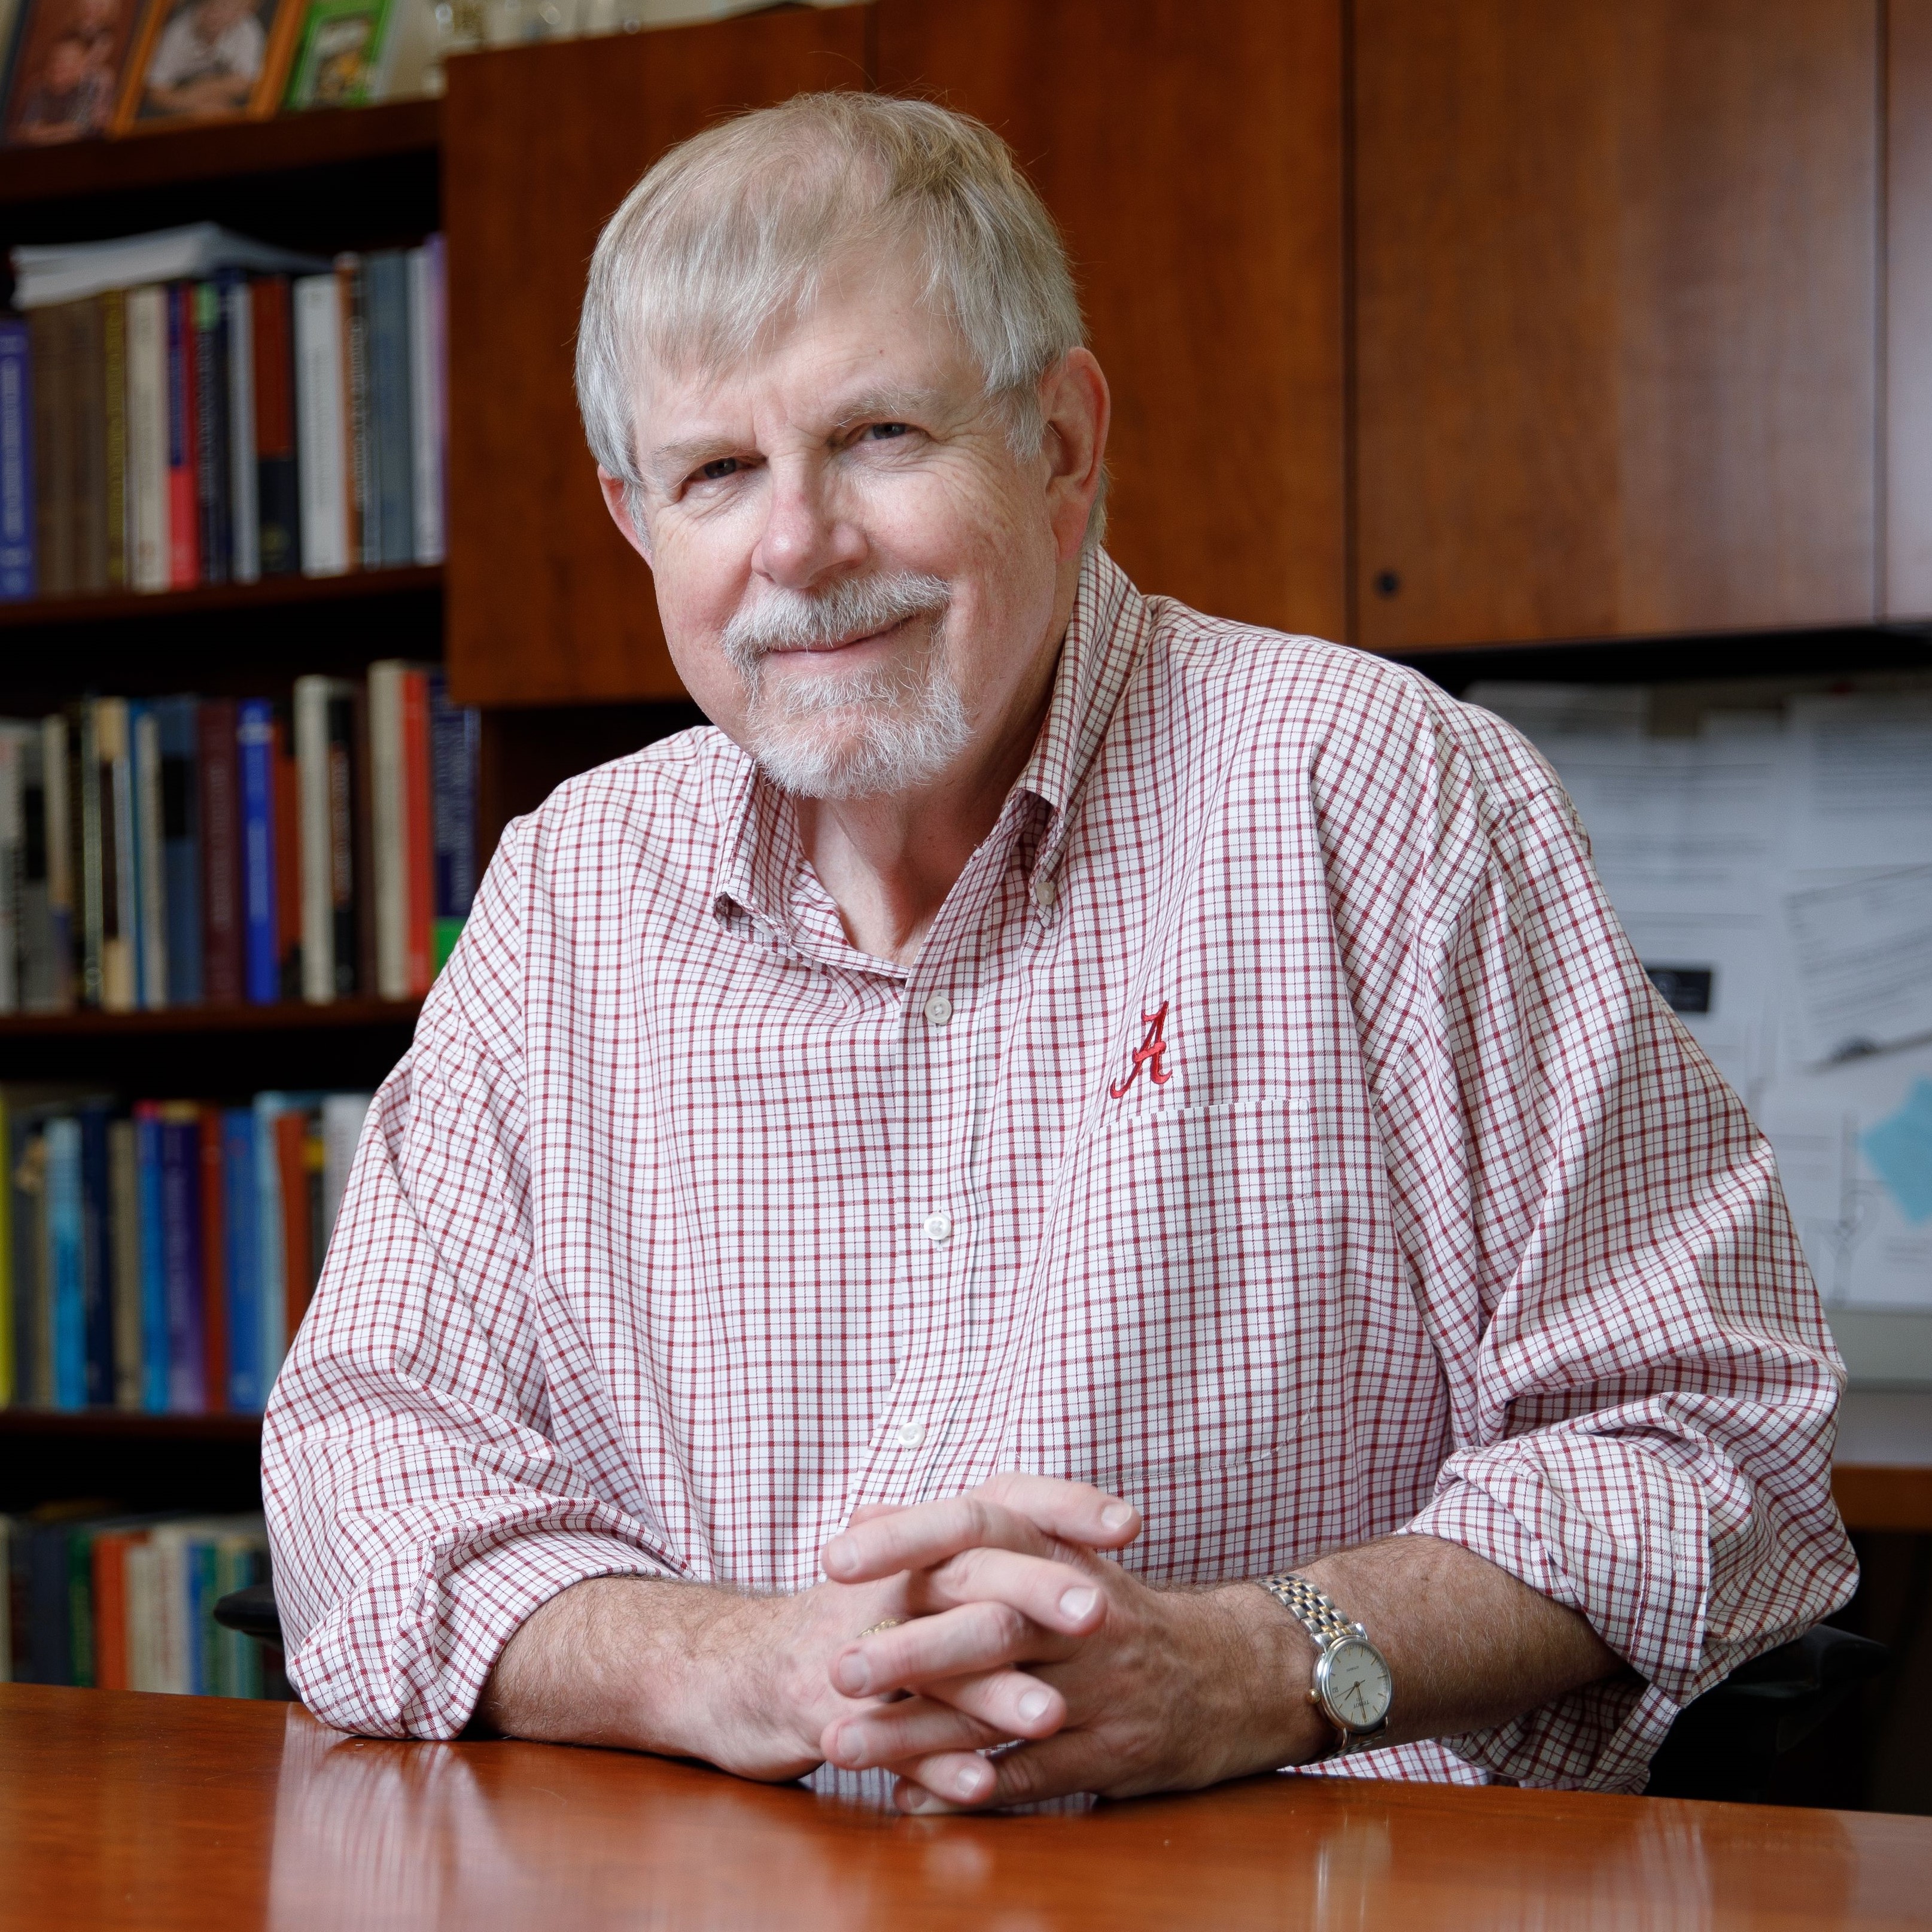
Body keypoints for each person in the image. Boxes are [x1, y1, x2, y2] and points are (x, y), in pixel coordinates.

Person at [263, 92, 1855, 1812]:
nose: (796, 545)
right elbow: (364, 1467)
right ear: (634, 518)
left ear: (1061, 440)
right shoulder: (568, 887)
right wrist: (726, 1659)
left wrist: (1251, 1661)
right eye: (715, 470)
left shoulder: (1373, 790)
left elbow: (1708, 1440)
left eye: (878, 432)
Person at [139, 0, 261, 119]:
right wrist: (190, 103)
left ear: (245, 12)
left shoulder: (248, 31)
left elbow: (247, 82)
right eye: (209, 3)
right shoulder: (174, 34)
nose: (215, 12)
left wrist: (205, 90)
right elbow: (155, 91)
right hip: (178, 101)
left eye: (225, 6)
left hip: (214, 98)